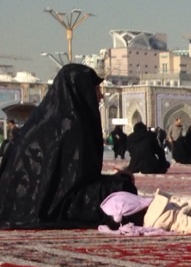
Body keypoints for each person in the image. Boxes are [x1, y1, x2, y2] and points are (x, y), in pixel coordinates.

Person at [0, 63, 137, 228]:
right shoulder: (72, 125)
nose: (101, 96)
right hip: (55, 205)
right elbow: (76, 185)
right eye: (96, 90)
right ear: (81, 90)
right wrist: (118, 181)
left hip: (17, 203)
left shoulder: (41, 121)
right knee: (123, 189)